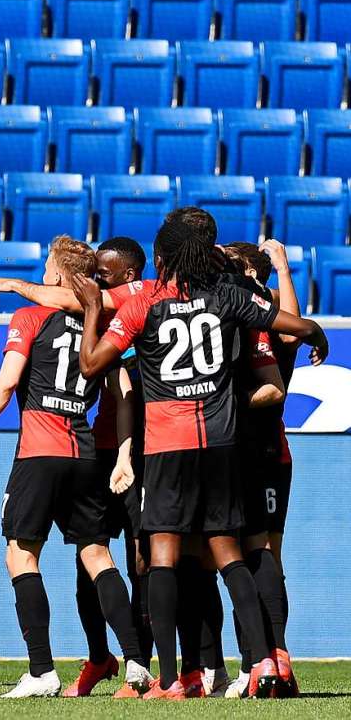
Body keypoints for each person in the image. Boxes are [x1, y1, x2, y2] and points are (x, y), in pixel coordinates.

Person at [70, 216, 328, 700]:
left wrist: (89, 310)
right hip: (221, 445)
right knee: (230, 553)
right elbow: (290, 325)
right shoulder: (226, 297)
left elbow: (90, 364)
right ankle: (262, 665)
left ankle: (170, 680)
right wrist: (316, 332)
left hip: (168, 445)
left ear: (161, 259)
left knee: (161, 556)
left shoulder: (144, 301)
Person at [0, 236, 153, 699]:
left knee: (21, 554)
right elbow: (122, 392)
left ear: (54, 277)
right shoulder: (101, 323)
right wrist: (123, 451)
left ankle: (42, 671)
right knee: (97, 555)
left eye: (47, 267)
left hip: (38, 454)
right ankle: (135, 662)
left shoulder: (29, 316)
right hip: (85, 453)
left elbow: (8, 381)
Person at [64, 237, 155, 698]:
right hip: (99, 452)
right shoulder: (105, 323)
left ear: (129, 276)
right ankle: (101, 657)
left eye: (104, 273)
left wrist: (17, 285)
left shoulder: (144, 302)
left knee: (143, 561)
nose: (96, 280)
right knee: (89, 558)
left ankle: (142, 666)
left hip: (144, 453)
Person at [219, 240, 302, 698]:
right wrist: (285, 270)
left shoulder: (251, 312)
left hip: (250, 450)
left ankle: (260, 659)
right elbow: (298, 330)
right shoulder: (270, 313)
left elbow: (292, 334)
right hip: (273, 451)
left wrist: (281, 271)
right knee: (266, 554)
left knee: (243, 556)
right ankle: (275, 658)